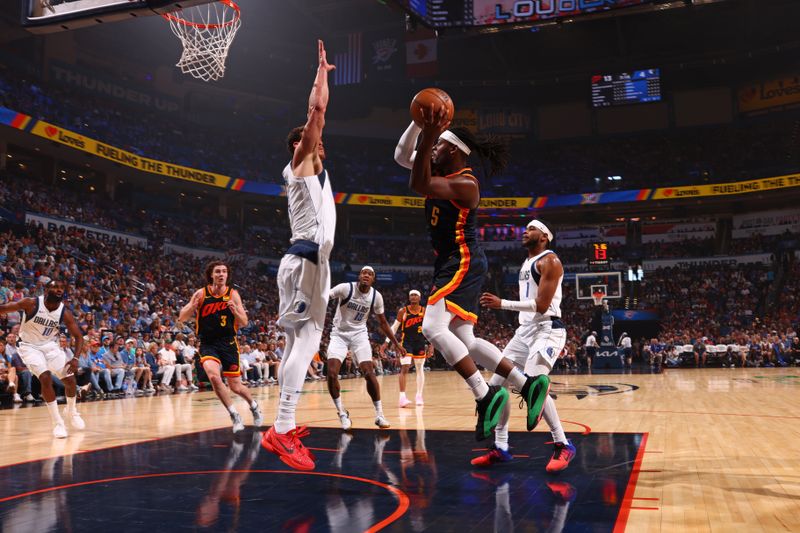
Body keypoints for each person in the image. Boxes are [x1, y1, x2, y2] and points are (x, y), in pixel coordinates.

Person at [397, 107, 550, 441]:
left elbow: (417, 181)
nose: (432, 148)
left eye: (437, 145)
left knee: (431, 327)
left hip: (461, 258)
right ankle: (526, 384)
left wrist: (427, 138)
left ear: (452, 150)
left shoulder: (466, 184)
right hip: (454, 262)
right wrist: (417, 124)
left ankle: (485, 394)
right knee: (465, 340)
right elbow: (401, 156)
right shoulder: (439, 166)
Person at [261, 40, 336, 471]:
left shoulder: (314, 176)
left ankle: (284, 423)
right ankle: (282, 428)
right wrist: (321, 74)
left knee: (296, 344)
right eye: (314, 140)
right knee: (307, 343)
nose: (321, 144)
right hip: (305, 262)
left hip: (306, 263)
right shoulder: (302, 161)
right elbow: (317, 113)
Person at [477, 219, 576, 472]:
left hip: (547, 329)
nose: (524, 231)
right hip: (524, 332)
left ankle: (563, 444)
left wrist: (503, 304)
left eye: (531, 229)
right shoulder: (526, 262)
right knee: (495, 387)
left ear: (544, 235)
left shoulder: (550, 260)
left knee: (534, 388)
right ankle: (501, 447)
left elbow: (542, 305)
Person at [179, 261, 262, 433]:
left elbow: (244, 322)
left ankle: (253, 406)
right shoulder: (201, 294)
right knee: (214, 377)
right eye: (217, 271)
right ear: (211, 275)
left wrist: (235, 311)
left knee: (236, 387)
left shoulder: (233, 294)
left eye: (224, 271)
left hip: (229, 344)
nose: (221, 274)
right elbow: (182, 317)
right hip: (208, 343)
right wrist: (192, 307)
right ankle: (234, 414)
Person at [0, 280, 85, 438]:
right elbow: (4, 309)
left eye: (61, 287)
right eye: (55, 287)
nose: (59, 289)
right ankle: (57, 423)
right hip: (28, 346)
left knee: (70, 380)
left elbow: (79, 337)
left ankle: (72, 411)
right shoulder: (31, 303)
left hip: (50, 346)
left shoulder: (63, 312)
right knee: (45, 377)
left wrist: (75, 358)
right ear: (46, 290)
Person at [326, 266, 404, 430]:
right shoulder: (345, 288)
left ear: (373, 279)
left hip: (359, 335)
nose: (366, 275)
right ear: (359, 276)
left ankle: (379, 415)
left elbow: (383, 323)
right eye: (364, 273)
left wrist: (396, 343)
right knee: (332, 374)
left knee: (369, 373)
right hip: (339, 334)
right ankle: (341, 413)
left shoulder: (376, 296)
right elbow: (325, 296)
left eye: (370, 274)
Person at [383, 289, 432, 407]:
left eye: (416, 295)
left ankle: (419, 395)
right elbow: (394, 328)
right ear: (409, 298)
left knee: (420, 368)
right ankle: (402, 397)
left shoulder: (425, 311)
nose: (414, 297)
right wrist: (386, 342)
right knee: (404, 367)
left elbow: (430, 329)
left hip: (420, 342)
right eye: (411, 295)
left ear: (419, 298)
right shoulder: (403, 311)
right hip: (406, 343)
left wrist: (431, 345)